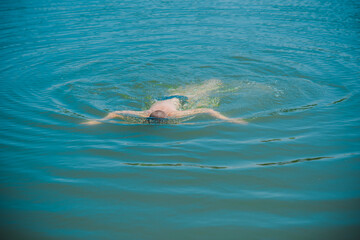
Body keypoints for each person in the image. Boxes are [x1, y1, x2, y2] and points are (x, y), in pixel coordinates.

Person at [83, 80, 247, 125]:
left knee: (202, 91)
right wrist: (98, 121)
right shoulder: (145, 114)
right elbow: (115, 113)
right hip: (161, 100)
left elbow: (207, 109)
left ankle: (213, 82)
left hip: (179, 99)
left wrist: (228, 119)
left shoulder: (175, 113)